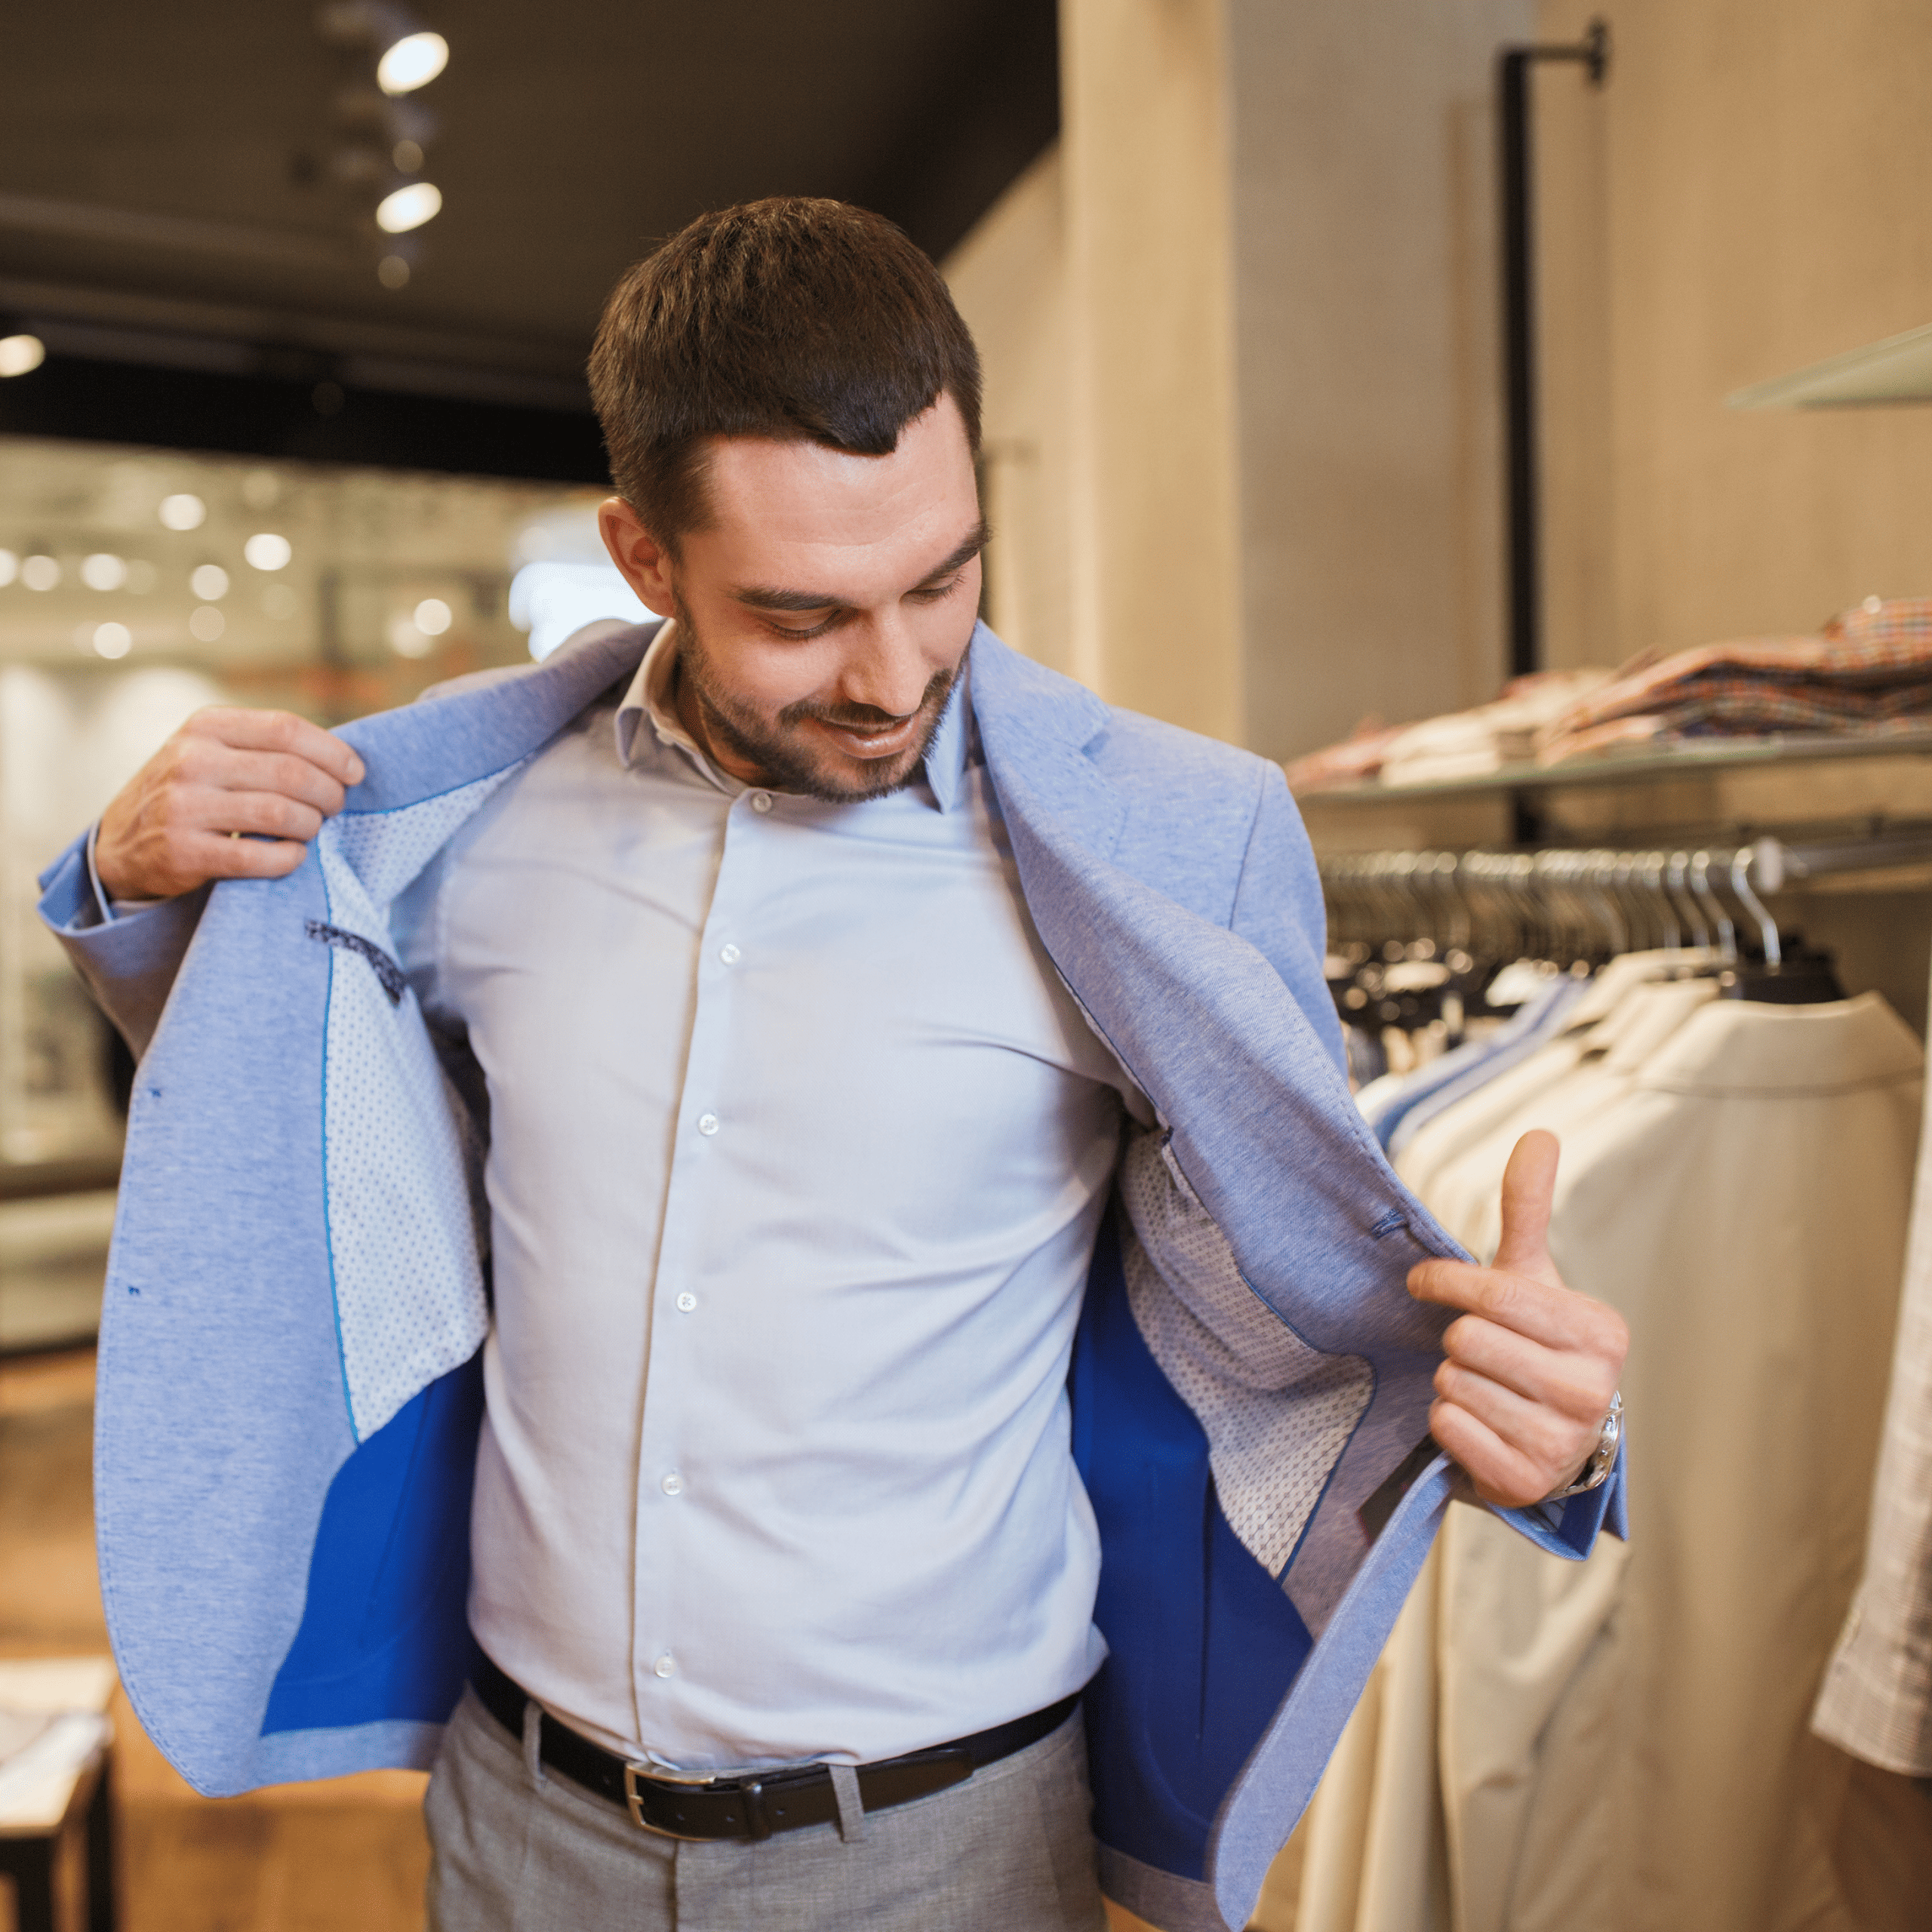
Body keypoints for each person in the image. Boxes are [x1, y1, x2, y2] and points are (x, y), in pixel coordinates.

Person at [45, 199, 1627, 1932]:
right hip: (518, 1823)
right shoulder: (467, 824)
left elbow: (1301, 1294)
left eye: (940, 578)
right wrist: (136, 883)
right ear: (643, 558)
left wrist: (1541, 1436)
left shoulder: (1179, 842)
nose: (891, 675)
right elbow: (307, 1136)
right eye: (800, 614)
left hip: (945, 1851)